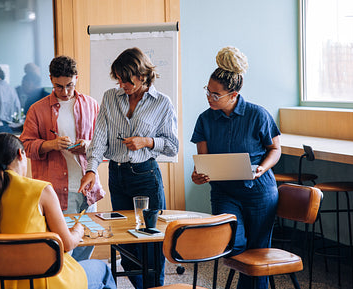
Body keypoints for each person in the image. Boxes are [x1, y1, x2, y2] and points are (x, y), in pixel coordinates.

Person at [79, 47, 179, 289]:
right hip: (117, 174)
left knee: (151, 240)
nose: (122, 84)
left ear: (142, 75)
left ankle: (155, 287)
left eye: (127, 79)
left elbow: (173, 147)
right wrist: (91, 169)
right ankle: (141, 286)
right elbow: (100, 137)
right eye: (119, 79)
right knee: (124, 242)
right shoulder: (110, 97)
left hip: (145, 175)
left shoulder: (162, 103)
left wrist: (147, 141)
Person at [0, 133, 116, 289]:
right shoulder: (41, 189)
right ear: (20, 154)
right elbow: (68, 244)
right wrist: (78, 230)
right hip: (42, 281)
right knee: (103, 269)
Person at [190, 46, 281, 289]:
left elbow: (275, 149)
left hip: (260, 191)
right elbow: (204, 163)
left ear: (234, 94)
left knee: (258, 254)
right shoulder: (204, 119)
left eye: (215, 95)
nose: (209, 98)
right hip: (225, 193)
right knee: (232, 245)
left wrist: (262, 168)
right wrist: (198, 176)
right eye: (207, 92)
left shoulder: (258, 114)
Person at [20, 55, 104, 261]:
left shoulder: (92, 105)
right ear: (50, 79)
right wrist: (50, 145)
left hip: (87, 187)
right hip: (55, 190)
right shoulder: (37, 109)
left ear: (77, 78)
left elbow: (104, 145)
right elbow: (23, 147)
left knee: (87, 242)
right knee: (62, 250)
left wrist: (87, 145)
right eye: (59, 86)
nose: (65, 92)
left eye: (70, 85)